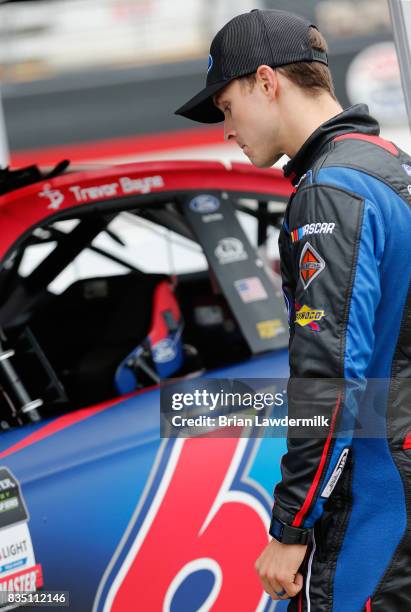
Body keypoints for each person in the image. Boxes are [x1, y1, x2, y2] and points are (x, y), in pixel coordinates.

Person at [175, 8, 411, 612]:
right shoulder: (391, 166)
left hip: (378, 499)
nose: (225, 128)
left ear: (266, 81)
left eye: (226, 108)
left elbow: (328, 378)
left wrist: (290, 527)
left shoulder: (329, 192)